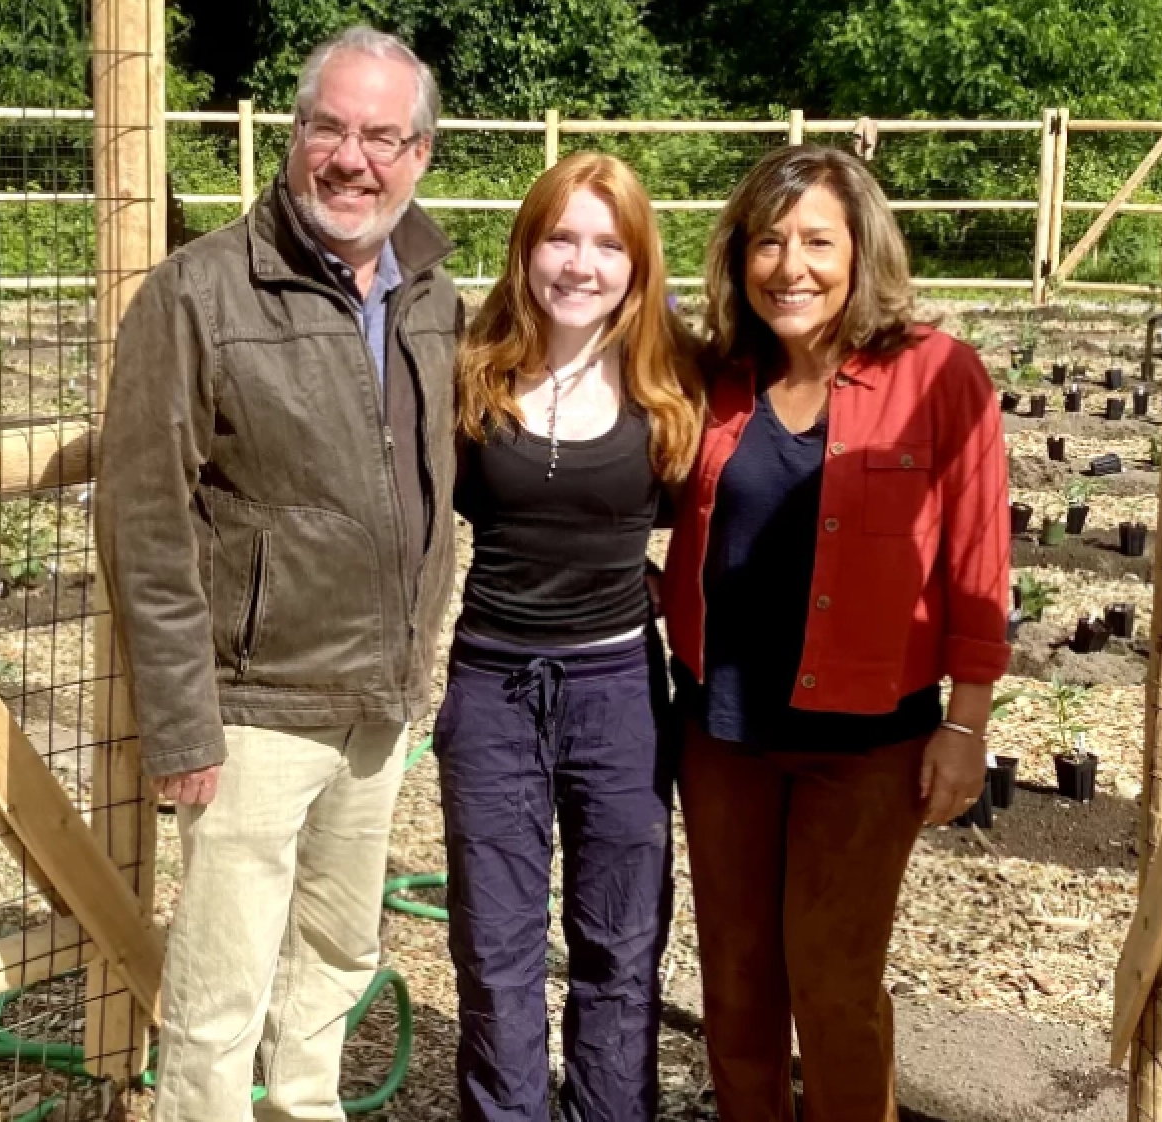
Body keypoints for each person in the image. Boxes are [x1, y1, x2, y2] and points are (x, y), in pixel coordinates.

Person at [94, 27, 462, 1122]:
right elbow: (144, 518)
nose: (351, 159)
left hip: (378, 699)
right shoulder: (200, 292)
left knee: (336, 954)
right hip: (252, 705)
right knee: (221, 990)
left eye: (381, 137)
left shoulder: (432, 293)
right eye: (328, 128)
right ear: (294, 135)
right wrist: (181, 724)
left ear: (419, 154)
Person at [660, 145, 1010, 1122]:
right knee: (735, 980)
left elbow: (978, 561)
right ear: (740, 257)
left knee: (835, 985)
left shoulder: (937, 374)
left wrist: (966, 724)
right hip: (723, 730)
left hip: (866, 744)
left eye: (817, 241)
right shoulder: (719, 377)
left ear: (861, 252)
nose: (791, 267)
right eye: (768, 243)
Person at [436, 150, 703, 1122]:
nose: (581, 265)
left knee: (620, 943)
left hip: (618, 693)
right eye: (560, 238)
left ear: (638, 263)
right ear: (526, 248)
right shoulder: (472, 372)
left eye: (607, 244)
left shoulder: (674, 380)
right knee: (494, 944)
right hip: (493, 689)